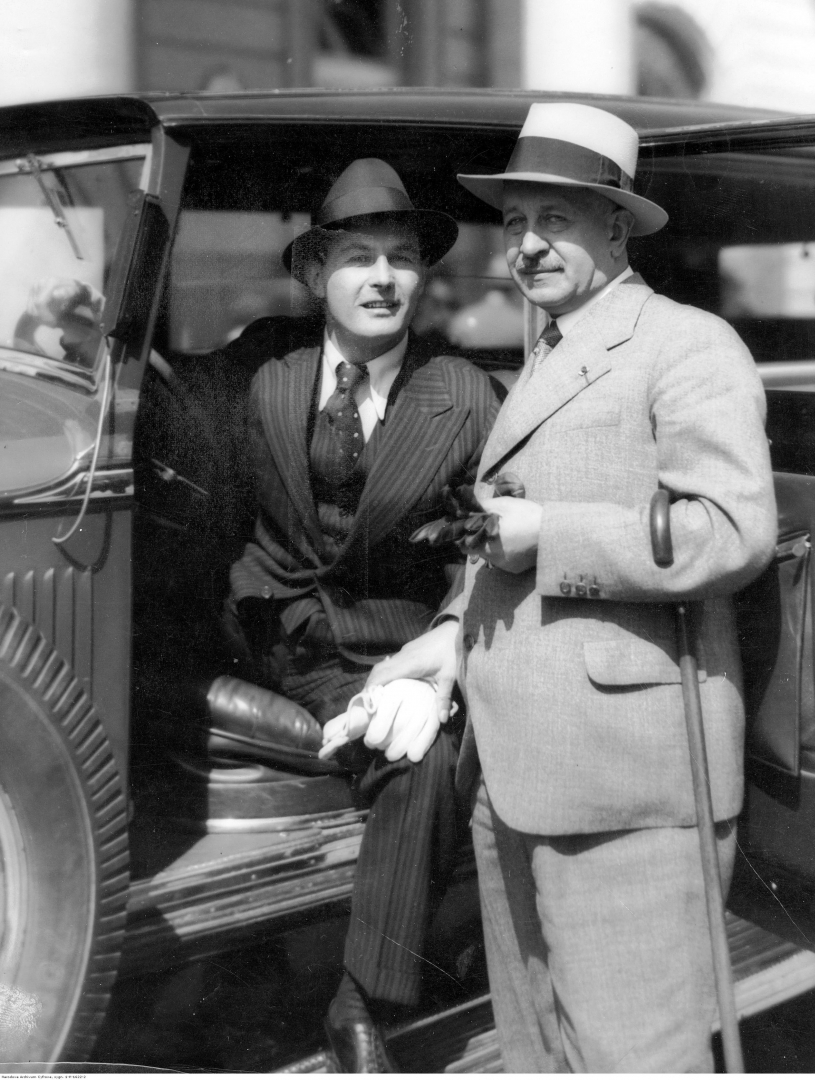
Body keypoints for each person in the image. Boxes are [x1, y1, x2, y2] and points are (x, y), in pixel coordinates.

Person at [366, 103, 778, 1072]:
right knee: (540, 1051)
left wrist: (551, 535)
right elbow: (503, 538)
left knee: (634, 1057)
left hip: (628, 784)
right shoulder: (551, 348)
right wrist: (450, 631)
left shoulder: (686, 343)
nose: (527, 244)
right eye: (514, 222)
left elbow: (732, 531)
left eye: (555, 218)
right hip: (519, 769)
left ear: (616, 229)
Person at [216, 158, 502, 1072]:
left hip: (389, 645)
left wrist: (446, 643)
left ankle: (358, 1002)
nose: (382, 278)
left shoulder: (464, 395)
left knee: (425, 758)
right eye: (357, 258)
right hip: (272, 632)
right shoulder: (264, 371)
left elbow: (487, 547)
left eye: (401, 258)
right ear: (314, 275)